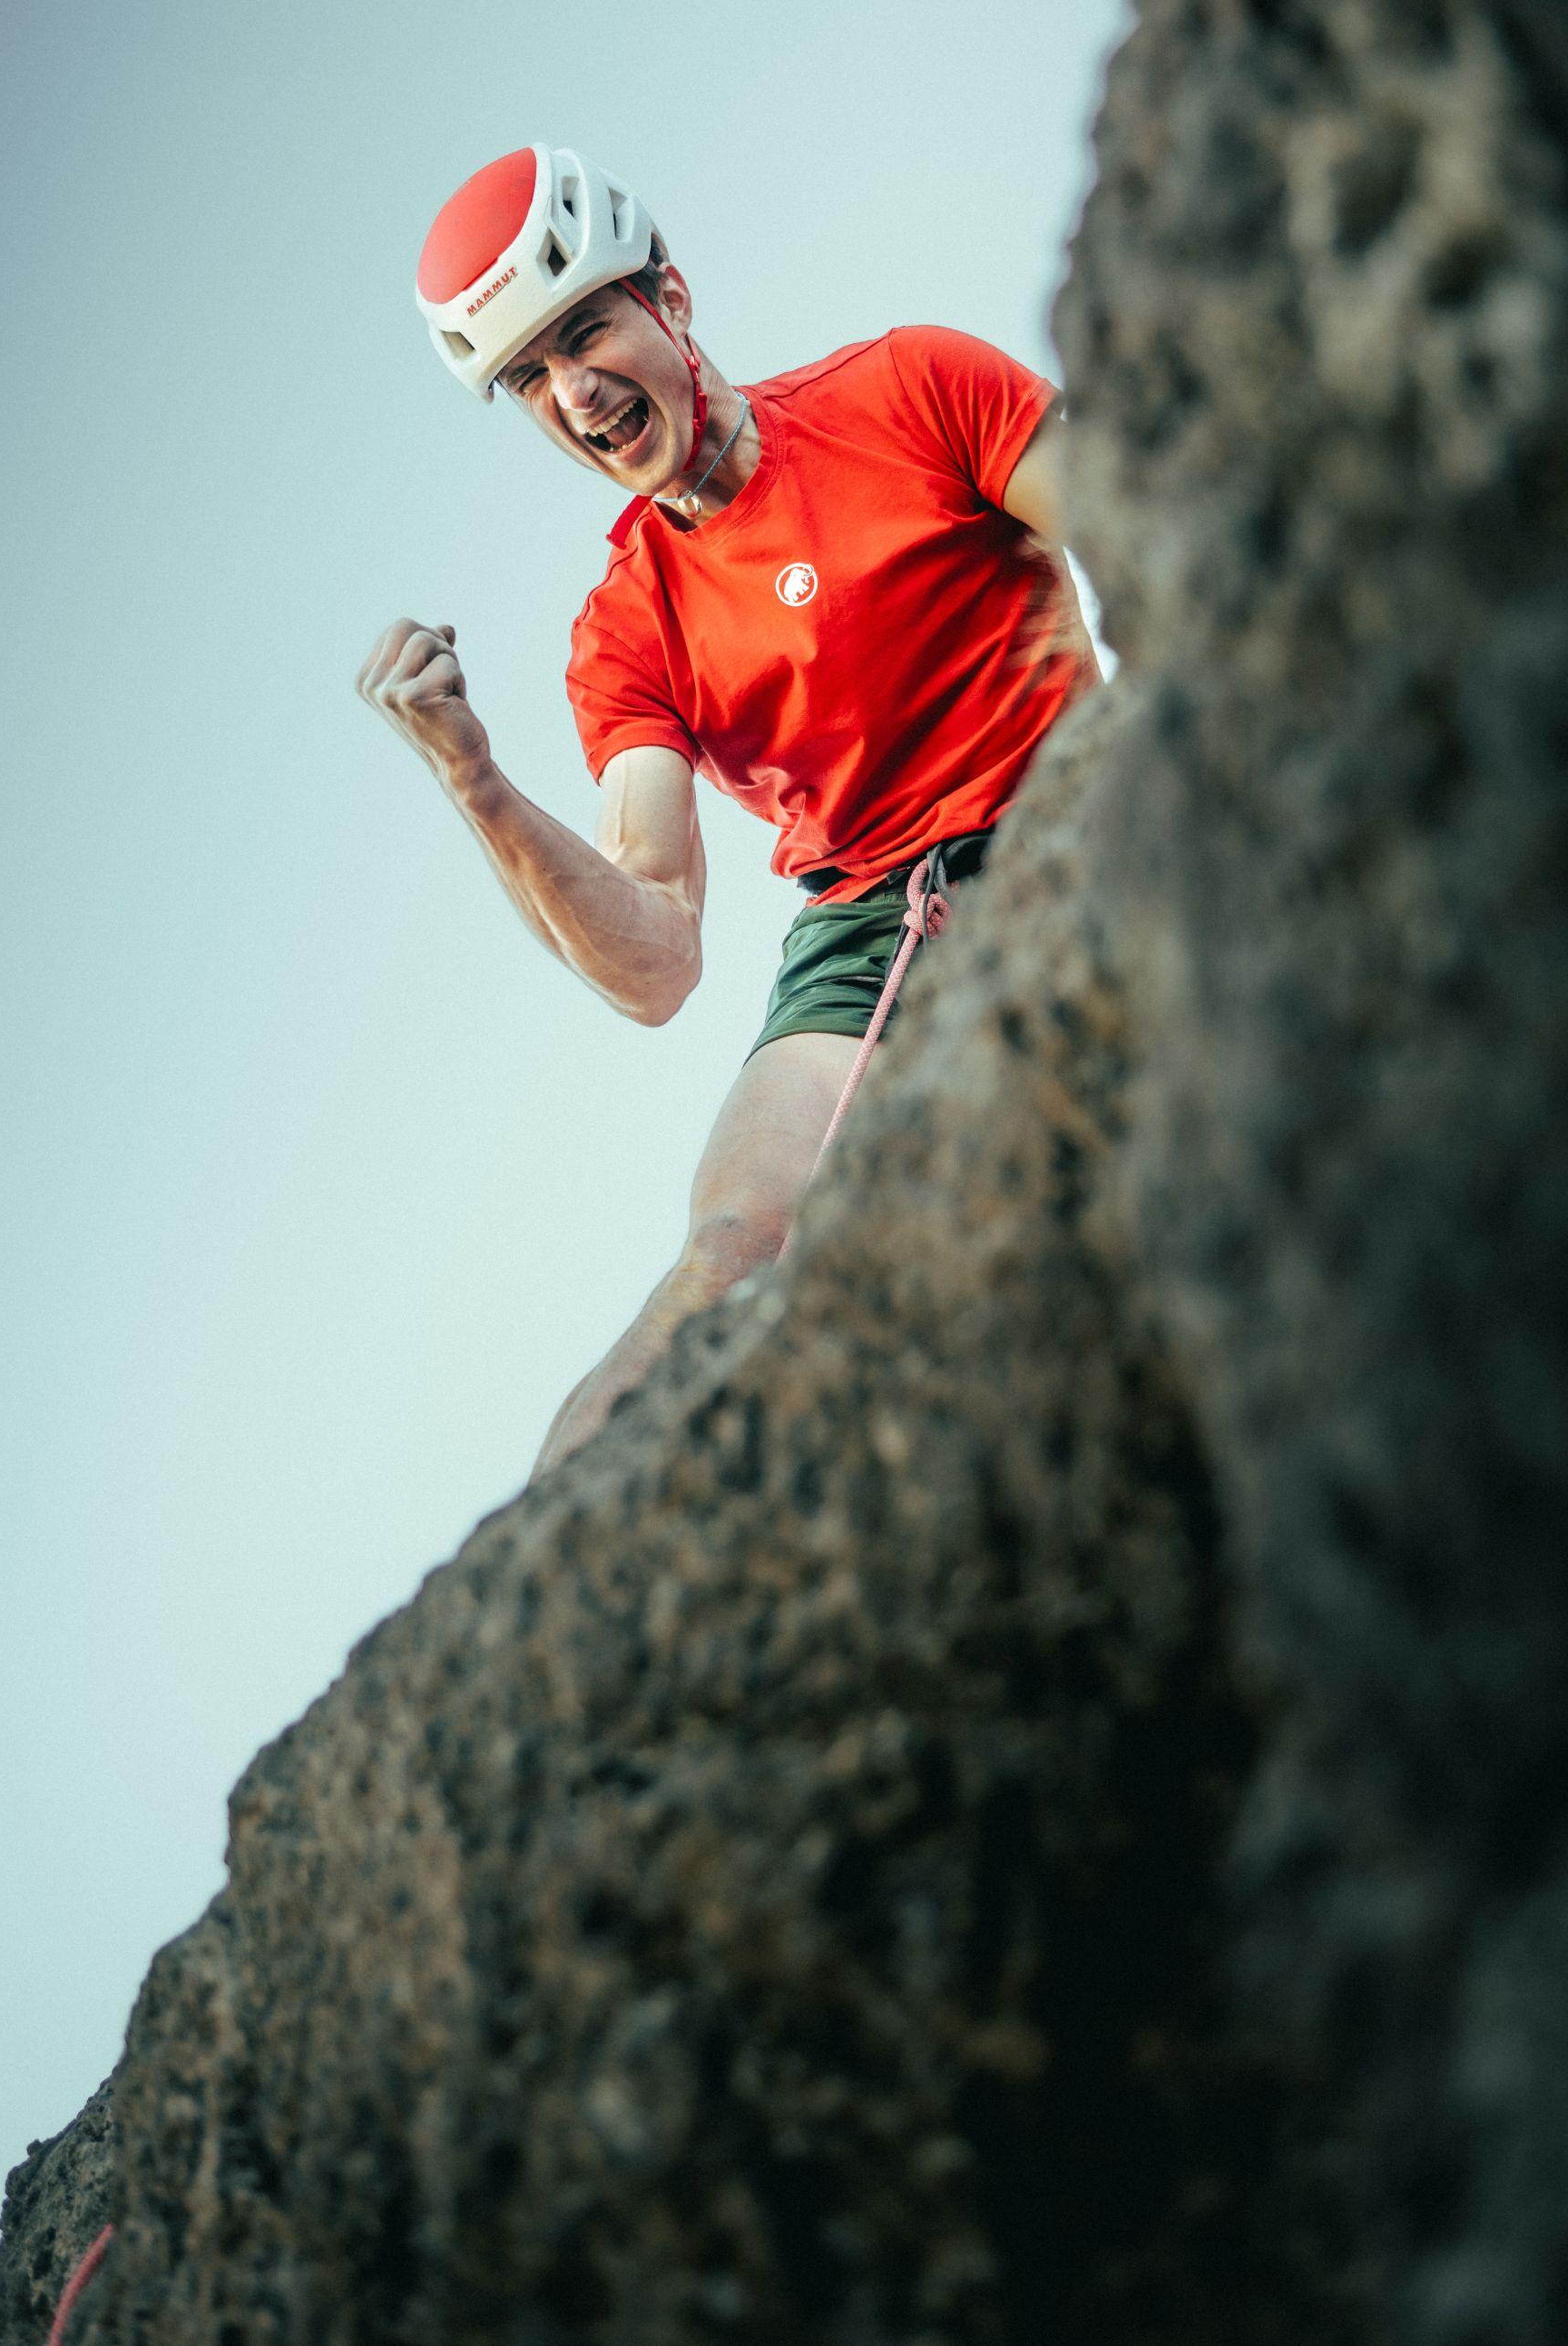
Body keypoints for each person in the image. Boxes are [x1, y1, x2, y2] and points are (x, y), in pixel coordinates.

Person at [358, 144, 1099, 1474]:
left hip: (1073, 803)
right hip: (878, 925)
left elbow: (1147, 528)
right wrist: (474, 780)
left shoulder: (909, 384)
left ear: (671, 299)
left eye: (585, 331)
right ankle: (540, 1611)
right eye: (529, 377)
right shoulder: (627, 630)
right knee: (731, 1251)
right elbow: (656, 957)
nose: (574, 391)